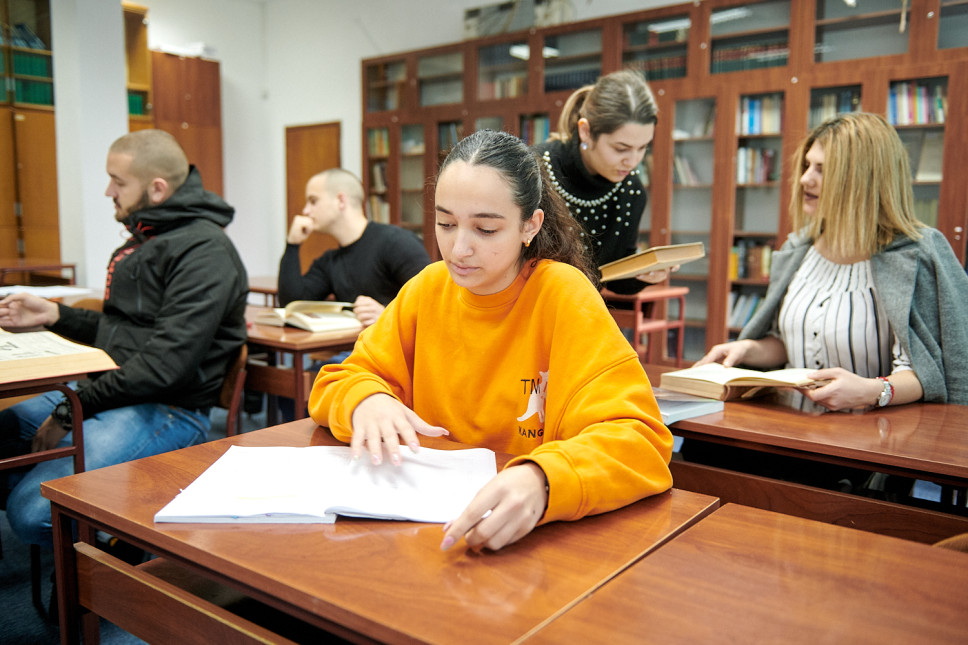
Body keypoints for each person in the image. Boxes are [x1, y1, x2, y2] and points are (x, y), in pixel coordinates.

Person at [309, 129, 673, 553]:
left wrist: (544, 478)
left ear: (529, 226)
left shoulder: (561, 295)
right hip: (425, 530)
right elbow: (337, 381)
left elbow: (641, 440)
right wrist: (365, 400)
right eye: (445, 223)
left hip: (530, 540)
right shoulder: (428, 288)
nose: (458, 248)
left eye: (485, 229)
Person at [685, 112, 968, 496]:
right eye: (806, 166)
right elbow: (790, 342)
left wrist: (871, 390)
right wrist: (749, 348)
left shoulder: (916, 255)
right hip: (790, 429)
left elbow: (929, 372)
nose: (804, 179)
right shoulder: (797, 250)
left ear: (862, 180)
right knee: (700, 455)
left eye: (821, 169)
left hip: (867, 445)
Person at [0, 129, 248, 548]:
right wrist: (56, 315)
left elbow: (162, 368)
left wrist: (66, 413)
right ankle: (87, 522)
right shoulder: (149, 236)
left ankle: (124, 542)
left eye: (118, 181)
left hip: (168, 408)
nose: (107, 191)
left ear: (157, 188)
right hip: (112, 392)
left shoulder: (205, 253)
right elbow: (122, 332)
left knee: (33, 512)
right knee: (5, 438)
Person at [533, 69, 666, 294]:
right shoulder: (533, 171)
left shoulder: (631, 190)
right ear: (585, 131)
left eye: (643, 148)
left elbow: (612, 279)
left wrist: (645, 275)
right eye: (621, 148)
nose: (633, 161)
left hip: (581, 314)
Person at [278, 168, 430, 327]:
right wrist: (293, 244)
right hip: (356, 346)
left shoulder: (396, 242)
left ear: (341, 201)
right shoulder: (330, 261)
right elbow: (291, 305)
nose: (305, 210)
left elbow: (432, 300)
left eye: (313, 201)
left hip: (396, 347)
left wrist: (387, 314)